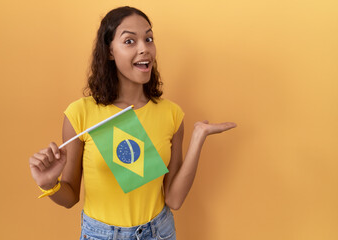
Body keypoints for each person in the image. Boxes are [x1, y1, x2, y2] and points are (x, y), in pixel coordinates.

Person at [29, 6, 236, 240]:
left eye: (149, 39)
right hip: (101, 235)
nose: (144, 49)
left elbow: (174, 199)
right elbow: (70, 198)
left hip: (159, 232)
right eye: (129, 41)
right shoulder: (80, 113)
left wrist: (198, 137)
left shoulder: (171, 114)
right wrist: (49, 185)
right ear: (109, 51)